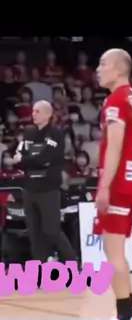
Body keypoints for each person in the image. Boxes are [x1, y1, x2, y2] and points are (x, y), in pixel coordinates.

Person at [94, 49, 132, 320]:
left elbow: (115, 146)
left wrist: (104, 186)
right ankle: (129, 310)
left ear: (118, 69)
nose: (98, 69)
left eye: (103, 64)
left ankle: (125, 316)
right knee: (117, 251)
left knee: (113, 253)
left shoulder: (116, 100)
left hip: (120, 183)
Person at [13, 100, 79, 263]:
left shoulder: (56, 134)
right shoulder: (29, 133)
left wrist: (26, 159)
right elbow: (18, 157)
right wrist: (28, 159)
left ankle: (72, 261)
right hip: (29, 189)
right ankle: (39, 265)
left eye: (37, 111)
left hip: (48, 189)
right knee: (34, 232)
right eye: (33, 111)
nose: (33, 114)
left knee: (52, 230)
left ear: (48, 114)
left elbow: (45, 159)